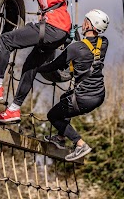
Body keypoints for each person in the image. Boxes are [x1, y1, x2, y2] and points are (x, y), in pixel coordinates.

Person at [39, 9, 109, 161]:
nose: (83, 24)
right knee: (65, 98)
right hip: (99, 94)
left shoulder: (76, 49)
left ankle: (80, 144)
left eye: (86, 21)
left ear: (90, 25)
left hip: (84, 98)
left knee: (53, 115)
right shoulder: (103, 43)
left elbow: (54, 65)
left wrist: (36, 69)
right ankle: (60, 137)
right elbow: (86, 52)